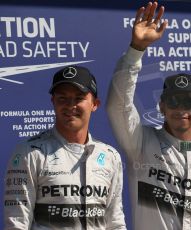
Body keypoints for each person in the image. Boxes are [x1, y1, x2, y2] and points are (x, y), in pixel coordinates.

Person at [106, 2, 191, 230]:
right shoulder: (140, 143)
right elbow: (118, 106)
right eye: (173, 101)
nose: (181, 108)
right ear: (161, 106)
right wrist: (135, 50)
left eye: (188, 102)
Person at [4, 65, 127, 229]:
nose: (70, 105)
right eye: (62, 98)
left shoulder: (110, 156)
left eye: (79, 98)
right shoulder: (31, 153)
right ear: (53, 101)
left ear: (95, 104)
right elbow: (17, 223)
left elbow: (115, 222)